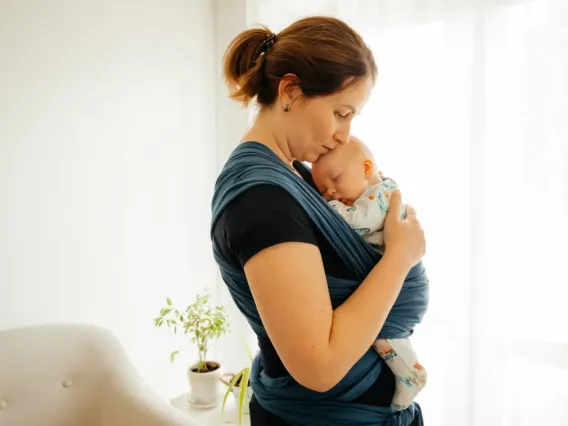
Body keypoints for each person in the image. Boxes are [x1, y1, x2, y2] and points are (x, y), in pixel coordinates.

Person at [211, 16, 427, 426]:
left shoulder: (295, 177)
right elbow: (320, 367)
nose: (345, 134)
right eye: (341, 113)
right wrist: (399, 257)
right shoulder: (262, 200)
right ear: (290, 90)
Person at [312, 136, 428, 411]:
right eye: (322, 190)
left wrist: (324, 210)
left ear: (366, 167)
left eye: (336, 179)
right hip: (392, 275)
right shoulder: (368, 194)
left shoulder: (382, 194)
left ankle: (411, 374)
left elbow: (359, 224)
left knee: (382, 336)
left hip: (405, 284)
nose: (330, 193)